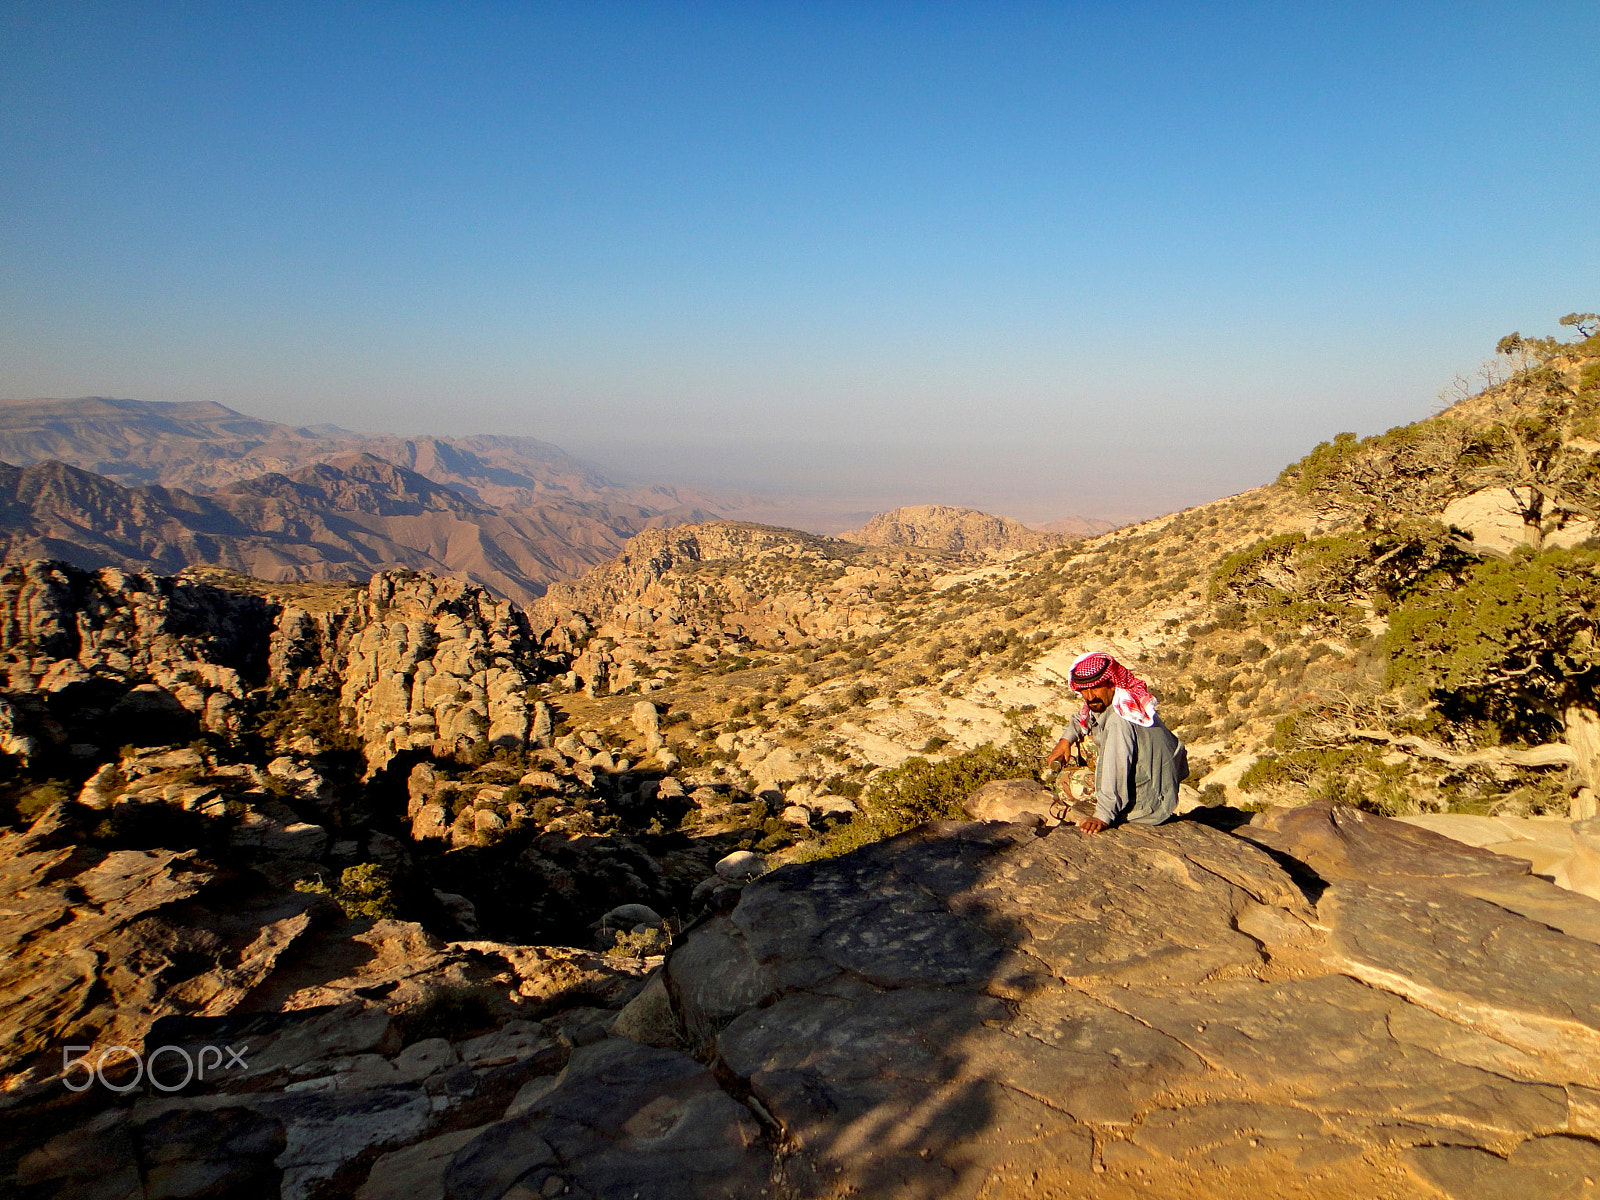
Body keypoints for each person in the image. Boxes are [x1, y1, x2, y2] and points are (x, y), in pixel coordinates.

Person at [1045, 652, 1188, 834]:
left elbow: (1117, 766)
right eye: (1083, 690)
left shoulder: (1119, 721)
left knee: (1064, 781)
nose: (1089, 697)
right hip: (1159, 786)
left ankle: (1112, 808)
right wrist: (1065, 741)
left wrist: (1103, 815)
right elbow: (1083, 718)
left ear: (1112, 683)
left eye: (1095, 688)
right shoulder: (1125, 701)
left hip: (1147, 807)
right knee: (1087, 740)